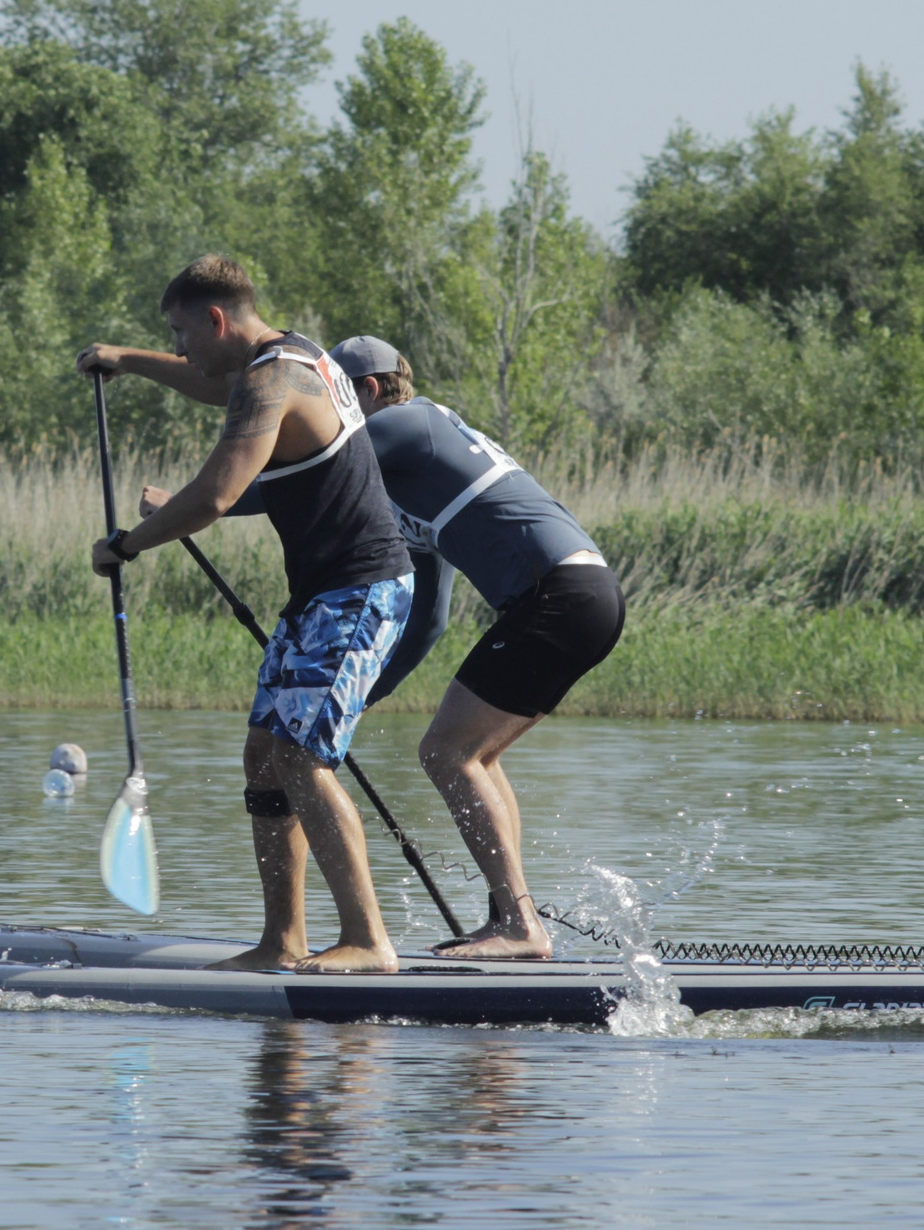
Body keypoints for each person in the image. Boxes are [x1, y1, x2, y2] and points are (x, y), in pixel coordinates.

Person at [144, 336, 623, 958]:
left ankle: (518, 927)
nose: (332, 417)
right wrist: (359, 696)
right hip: (575, 599)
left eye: (342, 399)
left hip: (564, 594)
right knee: (470, 755)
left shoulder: (408, 425)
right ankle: (516, 920)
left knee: (449, 754)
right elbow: (426, 618)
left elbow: (303, 475)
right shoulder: (409, 488)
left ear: (368, 391)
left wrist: (184, 506)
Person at [77, 256, 415, 974]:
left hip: (359, 591)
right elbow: (207, 382)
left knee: (301, 756)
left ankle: (368, 940)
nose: (181, 349)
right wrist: (123, 361)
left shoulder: (271, 377)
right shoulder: (293, 354)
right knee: (264, 758)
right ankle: (282, 941)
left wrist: (124, 547)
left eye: (179, 333)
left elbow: (213, 497)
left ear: (217, 319)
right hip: (319, 595)